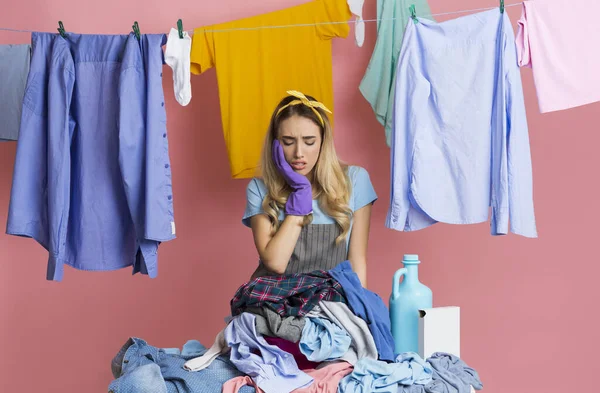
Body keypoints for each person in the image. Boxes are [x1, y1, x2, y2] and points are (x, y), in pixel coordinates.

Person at [242, 91, 377, 288]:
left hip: (331, 301)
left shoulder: (355, 181)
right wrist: (300, 195)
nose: (298, 153)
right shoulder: (259, 189)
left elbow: (357, 264)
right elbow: (276, 264)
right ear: (275, 145)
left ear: (323, 142)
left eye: (309, 141)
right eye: (288, 142)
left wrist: (362, 313)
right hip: (273, 299)